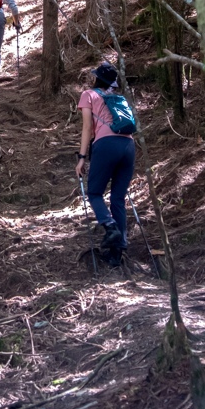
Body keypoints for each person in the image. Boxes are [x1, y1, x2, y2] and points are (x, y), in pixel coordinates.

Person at [76, 62, 136, 266]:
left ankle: (110, 227)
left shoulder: (89, 95)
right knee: (118, 198)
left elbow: (87, 128)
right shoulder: (119, 99)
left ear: (96, 79)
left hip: (106, 145)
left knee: (94, 193)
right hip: (128, 146)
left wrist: (82, 157)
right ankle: (117, 253)